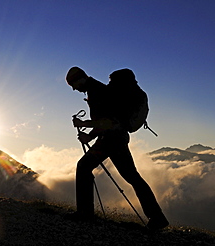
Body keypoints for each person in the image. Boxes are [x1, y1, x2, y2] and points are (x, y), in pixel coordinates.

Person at [65, 67, 169, 230]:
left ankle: (85, 214)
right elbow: (108, 121)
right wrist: (91, 135)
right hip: (117, 139)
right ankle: (157, 218)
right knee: (132, 177)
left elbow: (108, 122)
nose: (75, 89)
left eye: (74, 85)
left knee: (84, 166)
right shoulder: (100, 90)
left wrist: (83, 125)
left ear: (81, 79)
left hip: (111, 140)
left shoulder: (97, 92)